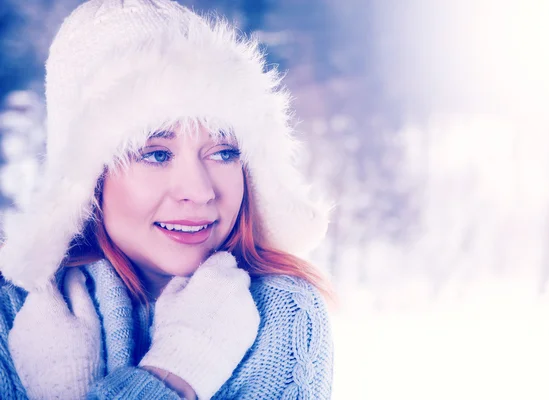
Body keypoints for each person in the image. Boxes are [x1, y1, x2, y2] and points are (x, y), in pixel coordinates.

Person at [0, 0, 334, 399]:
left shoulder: (281, 312)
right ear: (89, 178)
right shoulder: (8, 309)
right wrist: (175, 371)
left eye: (224, 152)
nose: (199, 190)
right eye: (156, 154)